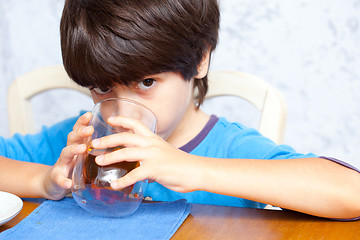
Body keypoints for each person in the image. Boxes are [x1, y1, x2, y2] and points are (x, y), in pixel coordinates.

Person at [1, 0, 360, 220]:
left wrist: (193, 168)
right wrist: (45, 181)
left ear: (200, 59)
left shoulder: (228, 148)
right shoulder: (88, 141)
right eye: (102, 87)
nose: (116, 116)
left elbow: (350, 192)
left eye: (146, 83)